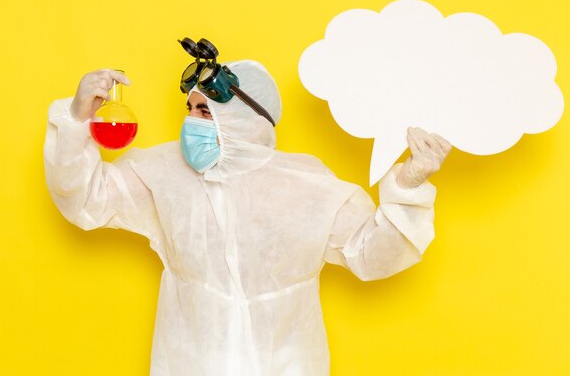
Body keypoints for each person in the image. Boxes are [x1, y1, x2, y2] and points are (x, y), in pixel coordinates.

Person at [44, 61, 451, 376]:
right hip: (190, 361)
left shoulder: (306, 182)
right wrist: (77, 118)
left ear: (244, 119)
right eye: (189, 109)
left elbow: (371, 255)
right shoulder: (164, 172)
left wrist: (408, 187)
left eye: (205, 111)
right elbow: (86, 198)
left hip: (288, 364)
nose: (190, 122)